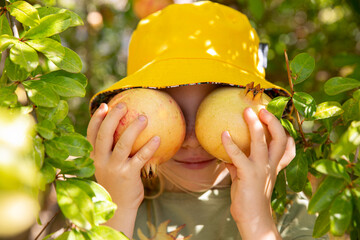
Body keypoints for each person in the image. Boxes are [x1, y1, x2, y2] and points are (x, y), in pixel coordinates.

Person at [87, 2, 328, 239]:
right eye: (175, 115)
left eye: (213, 112)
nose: (192, 140)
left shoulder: (288, 213)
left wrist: (256, 219)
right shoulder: (101, 207)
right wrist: (115, 208)